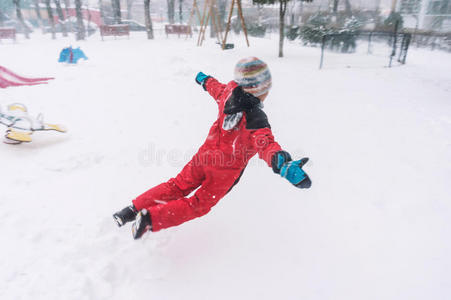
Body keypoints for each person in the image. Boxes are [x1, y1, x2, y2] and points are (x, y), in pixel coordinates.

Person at [113, 57, 312, 239]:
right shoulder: (256, 121)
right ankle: (149, 220)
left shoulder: (229, 92)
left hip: (204, 157)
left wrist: (204, 80)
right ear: (260, 89)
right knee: (197, 204)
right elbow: (266, 145)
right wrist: (283, 164)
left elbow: (215, 88)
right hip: (223, 174)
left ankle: (130, 210)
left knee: (176, 186)